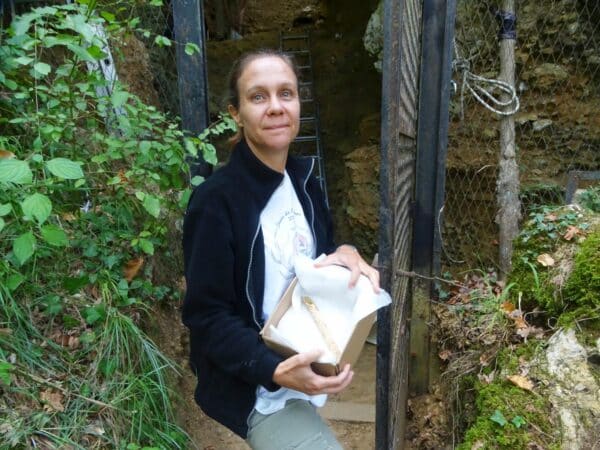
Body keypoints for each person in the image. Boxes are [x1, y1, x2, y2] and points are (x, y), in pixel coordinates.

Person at [182, 49, 380, 449]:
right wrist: (276, 371)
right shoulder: (216, 203)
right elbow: (207, 318)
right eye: (258, 97)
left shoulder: (305, 183)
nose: (275, 107)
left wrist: (343, 252)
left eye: (285, 93)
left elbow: (315, 262)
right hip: (257, 388)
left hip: (303, 368)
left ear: (298, 104)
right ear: (235, 113)